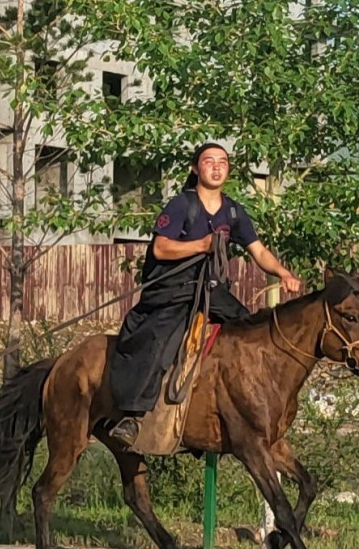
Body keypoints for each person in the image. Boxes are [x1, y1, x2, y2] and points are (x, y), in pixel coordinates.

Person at [106, 142, 302, 447]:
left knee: (250, 334)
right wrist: (201, 244)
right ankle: (133, 416)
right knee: (161, 340)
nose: (216, 167)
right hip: (175, 291)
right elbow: (160, 248)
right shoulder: (181, 205)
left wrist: (283, 273)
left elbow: (259, 251)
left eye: (222, 162)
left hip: (213, 292)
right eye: (209, 161)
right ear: (195, 168)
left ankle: (241, 408)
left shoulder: (234, 210)